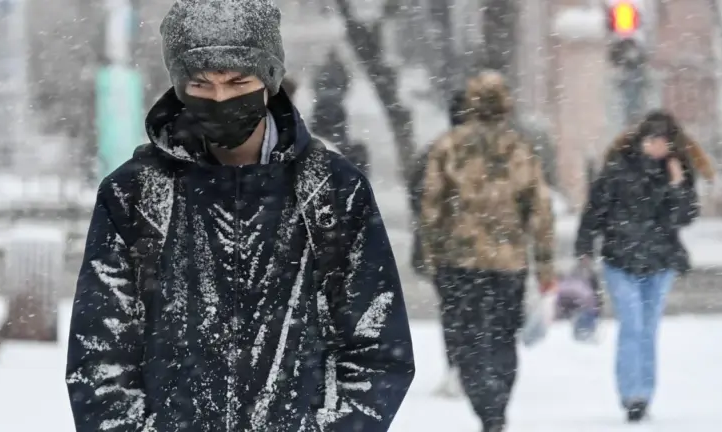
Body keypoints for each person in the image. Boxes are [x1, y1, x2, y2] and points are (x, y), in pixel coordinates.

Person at [65, 1, 415, 431]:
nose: (220, 98)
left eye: (237, 81)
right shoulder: (134, 194)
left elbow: (378, 350)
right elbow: (99, 358)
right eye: (200, 83)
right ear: (178, 85)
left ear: (268, 81)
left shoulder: (332, 192)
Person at [420, 70, 555, 432]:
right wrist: (544, 264)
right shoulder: (521, 149)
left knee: (467, 339)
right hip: (508, 262)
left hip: (458, 261)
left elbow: (431, 205)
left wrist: (432, 253)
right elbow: (540, 209)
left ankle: (485, 407)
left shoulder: (448, 147)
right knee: (502, 337)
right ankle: (497, 406)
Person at [575, 110, 713, 423]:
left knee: (648, 329)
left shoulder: (676, 172)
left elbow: (684, 218)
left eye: (665, 141)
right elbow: (594, 212)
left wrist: (678, 186)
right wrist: (584, 248)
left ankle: (643, 396)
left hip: (660, 261)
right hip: (620, 260)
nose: (660, 146)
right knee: (632, 325)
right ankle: (631, 394)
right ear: (642, 141)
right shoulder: (616, 171)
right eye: (654, 140)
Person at [408, 89, 468, 398]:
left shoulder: (434, 151)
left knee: (454, 310)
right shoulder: (500, 152)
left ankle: (458, 367)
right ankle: (476, 366)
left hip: (445, 250)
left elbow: (417, 196)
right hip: (487, 250)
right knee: (481, 308)